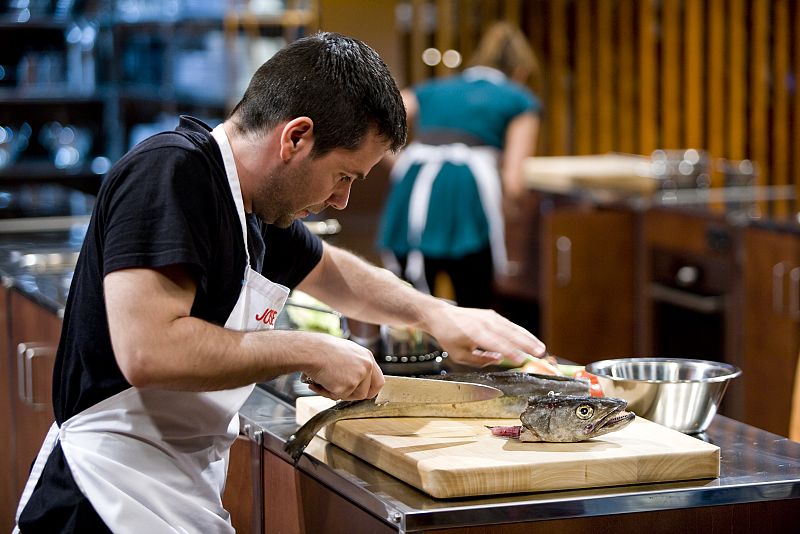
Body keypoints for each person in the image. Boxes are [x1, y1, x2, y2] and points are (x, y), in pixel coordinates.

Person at [13, 32, 551, 533]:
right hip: (101, 496)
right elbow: (149, 350)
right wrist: (310, 349)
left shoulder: (253, 210)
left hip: (172, 492)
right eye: (343, 176)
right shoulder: (172, 171)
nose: (342, 200)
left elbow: (334, 272)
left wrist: (438, 314)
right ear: (295, 137)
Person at [377, 21, 542, 308]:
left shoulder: (434, 89)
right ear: (520, 71)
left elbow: (379, 122)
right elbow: (515, 181)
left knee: (409, 301)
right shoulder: (519, 99)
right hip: (469, 196)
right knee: (473, 303)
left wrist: (402, 165)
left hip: (415, 190)